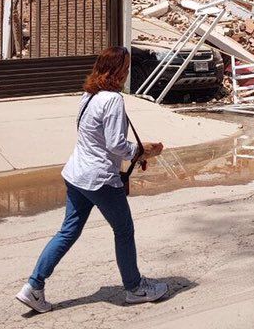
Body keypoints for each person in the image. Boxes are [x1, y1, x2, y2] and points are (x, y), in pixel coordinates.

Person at [16, 46, 167, 313]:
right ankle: (134, 288)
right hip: (99, 179)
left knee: (68, 232)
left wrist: (135, 152)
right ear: (118, 71)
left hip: (77, 174)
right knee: (124, 230)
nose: (128, 71)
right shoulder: (113, 100)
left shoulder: (88, 96)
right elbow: (115, 144)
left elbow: (95, 139)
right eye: (126, 67)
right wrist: (141, 151)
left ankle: (33, 286)